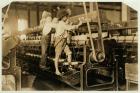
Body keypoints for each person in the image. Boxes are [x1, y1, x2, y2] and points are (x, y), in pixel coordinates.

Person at [54, 10, 82, 75]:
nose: (67, 18)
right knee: (57, 56)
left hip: (63, 41)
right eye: (66, 16)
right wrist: (79, 24)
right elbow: (69, 28)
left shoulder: (62, 23)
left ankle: (69, 66)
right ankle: (57, 70)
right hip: (59, 41)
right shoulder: (61, 23)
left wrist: (72, 24)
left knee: (69, 53)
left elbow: (68, 27)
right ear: (63, 17)